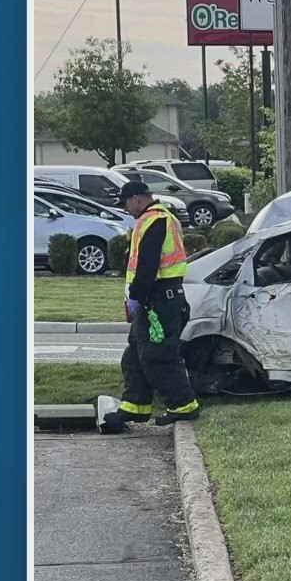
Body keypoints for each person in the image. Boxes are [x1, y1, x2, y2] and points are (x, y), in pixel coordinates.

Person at [101, 180, 198, 431]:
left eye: (125, 203)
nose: (125, 209)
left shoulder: (155, 220)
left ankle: (184, 405)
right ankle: (135, 407)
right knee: (134, 354)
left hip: (160, 299)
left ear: (136, 199)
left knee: (159, 355)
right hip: (153, 299)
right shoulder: (155, 219)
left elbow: (147, 265)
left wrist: (136, 294)